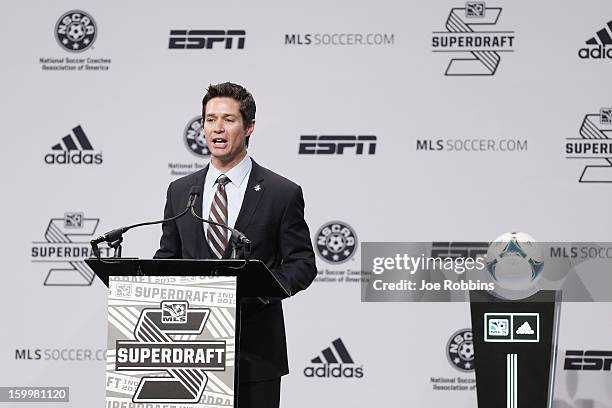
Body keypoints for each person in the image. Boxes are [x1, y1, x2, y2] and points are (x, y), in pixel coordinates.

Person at [155, 82, 317, 408]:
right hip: (190, 349)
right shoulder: (180, 191)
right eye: (210, 119)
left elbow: (302, 263)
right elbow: (169, 256)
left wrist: (261, 287)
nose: (217, 127)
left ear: (249, 126)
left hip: (255, 353)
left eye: (228, 119)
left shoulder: (281, 192)